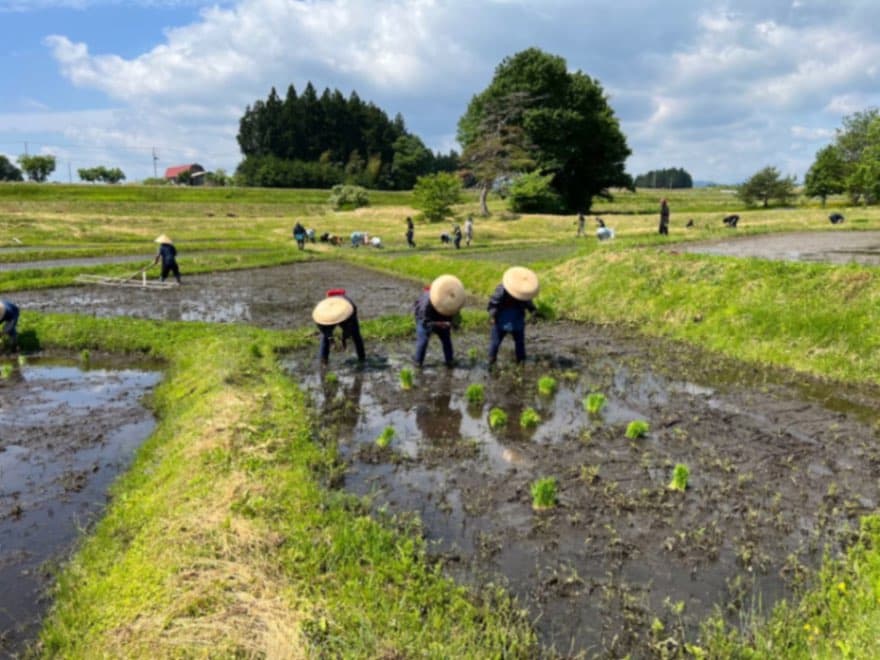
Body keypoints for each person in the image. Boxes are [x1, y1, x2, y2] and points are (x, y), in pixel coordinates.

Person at [488, 266, 539, 365]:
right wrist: (493, 316)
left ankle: (519, 361)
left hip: (514, 318)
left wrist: (533, 311)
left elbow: (493, 303)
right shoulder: (503, 289)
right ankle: (493, 360)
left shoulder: (520, 291)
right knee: (500, 341)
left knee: (512, 342)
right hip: (505, 317)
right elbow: (494, 303)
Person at [413, 274, 465, 368]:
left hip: (443, 319)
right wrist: (438, 324)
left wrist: (454, 324)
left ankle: (449, 361)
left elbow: (456, 317)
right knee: (423, 341)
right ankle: (418, 362)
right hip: (427, 320)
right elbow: (424, 321)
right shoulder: (426, 302)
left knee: (446, 340)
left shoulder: (455, 300)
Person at [312, 289, 365, 365]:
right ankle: (323, 361)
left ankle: (362, 359)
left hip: (346, 315)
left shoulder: (349, 309)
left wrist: (344, 338)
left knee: (356, 335)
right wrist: (331, 339)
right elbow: (324, 330)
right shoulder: (322, 313)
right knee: (325, 338)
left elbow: (350, 327)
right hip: (328, 316)